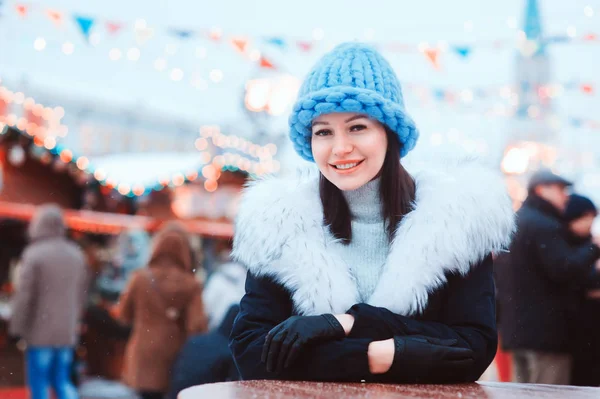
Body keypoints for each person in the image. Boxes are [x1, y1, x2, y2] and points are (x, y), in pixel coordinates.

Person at [229, 42, 515, 383]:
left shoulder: (458, 220)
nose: (340, 147)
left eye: (357, 127)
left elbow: (472, 349)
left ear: (389, 133)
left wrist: (344, 323)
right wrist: (381, 353)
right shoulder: (278, 225)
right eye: (323, 132)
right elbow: (252, 353)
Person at [496, 172, 600, 385]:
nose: (565, 196)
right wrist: (594, 248)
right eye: (560, 189)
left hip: (518, 333)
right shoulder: (544, 225)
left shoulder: (517, 222)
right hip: (546, 335)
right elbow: (565, 268)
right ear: (541, 189)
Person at [117, 222, 207, 399]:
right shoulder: (191, 283)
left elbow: (124, 315)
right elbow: (196, 326)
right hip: (174, 355)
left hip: (142, 355)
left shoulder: (140, 278)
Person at [9, 204, 88, 399]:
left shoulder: (34, 254)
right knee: (62, 381)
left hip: (39, 331)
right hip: (66, 331)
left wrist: (16, 329)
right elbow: (81, 294)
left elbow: (24, 297)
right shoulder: (75, 255)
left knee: (39, 384)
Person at [563, 194, 600, 386]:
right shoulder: (567, 244)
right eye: (586, 218)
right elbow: (572, 276)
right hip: (578, 329)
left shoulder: (587, 244)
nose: (589, 224)